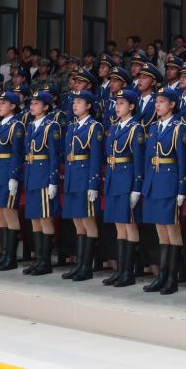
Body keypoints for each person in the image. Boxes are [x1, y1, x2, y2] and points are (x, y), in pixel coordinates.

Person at [142, 87, 186, 295]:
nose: (157, 105)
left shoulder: (179, 127)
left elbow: (183, 161)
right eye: (156, 102)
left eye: (161, 102)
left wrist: (181, 188)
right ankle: (162, 276)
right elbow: (148, 159)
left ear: (172, 104)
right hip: (154, 181)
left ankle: (173, 277)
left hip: (169, 182)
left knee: (172, 230)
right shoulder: (154, 127)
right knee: (161, 231)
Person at [101, 88, 145, 288]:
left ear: (132, 106)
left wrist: (136, 187)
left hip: (127, 180)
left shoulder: (135, 129)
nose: (117, 107)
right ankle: (120, 270)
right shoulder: (114, 127)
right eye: (116, 104)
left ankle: (129, 272)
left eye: (121, 104)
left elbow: (138, 161)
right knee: (119, 225)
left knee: (129, 225)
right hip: (113, 178)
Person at [60, 90, 105, 282]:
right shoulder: (72, 126)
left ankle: (87, 266)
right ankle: (79, 264)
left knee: (88, 221)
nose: (75, 105)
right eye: (74, 102)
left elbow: (96, 157)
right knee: (77, 221)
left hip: (85, 178)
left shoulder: (94, 127)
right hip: (72, 177)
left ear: (89, 106)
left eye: (79, 102)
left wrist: (93, 183)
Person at [22, 90, 63, 276]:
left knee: (45, 217)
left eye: (37, 104)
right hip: (32, 175)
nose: (32, 106)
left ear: (46, 107)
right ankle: (38, 259)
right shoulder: (31, 126)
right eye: (31, 103)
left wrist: (53, 180)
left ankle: (45, 261)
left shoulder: (51, 126)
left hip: (44, 176)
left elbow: (54, 156)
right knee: (35, 219)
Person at [0, 91, 25, 271]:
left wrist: (14, 176)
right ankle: (3, 255)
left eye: (3, 103)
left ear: (13, 106)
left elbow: (17, 153)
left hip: (8, 171)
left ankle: (11, 257)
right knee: (0, 214)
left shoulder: (17, 125)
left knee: (9, 214)